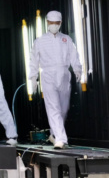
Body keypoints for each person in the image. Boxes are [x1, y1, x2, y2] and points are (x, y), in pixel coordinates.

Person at [29, 10, 83, 149]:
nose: (54, 25)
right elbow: (33, 60)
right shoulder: (40, 41)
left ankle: (54, 134)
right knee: (53, 108)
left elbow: (73, 55)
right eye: (51, 22)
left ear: (60, 23)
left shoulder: (66, 39)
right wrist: (33, 77)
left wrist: (77, 69)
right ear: (47, 23)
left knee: (63, 109)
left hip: (64, 74)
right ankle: (61, 139)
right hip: (48, 75)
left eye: (56, 23)